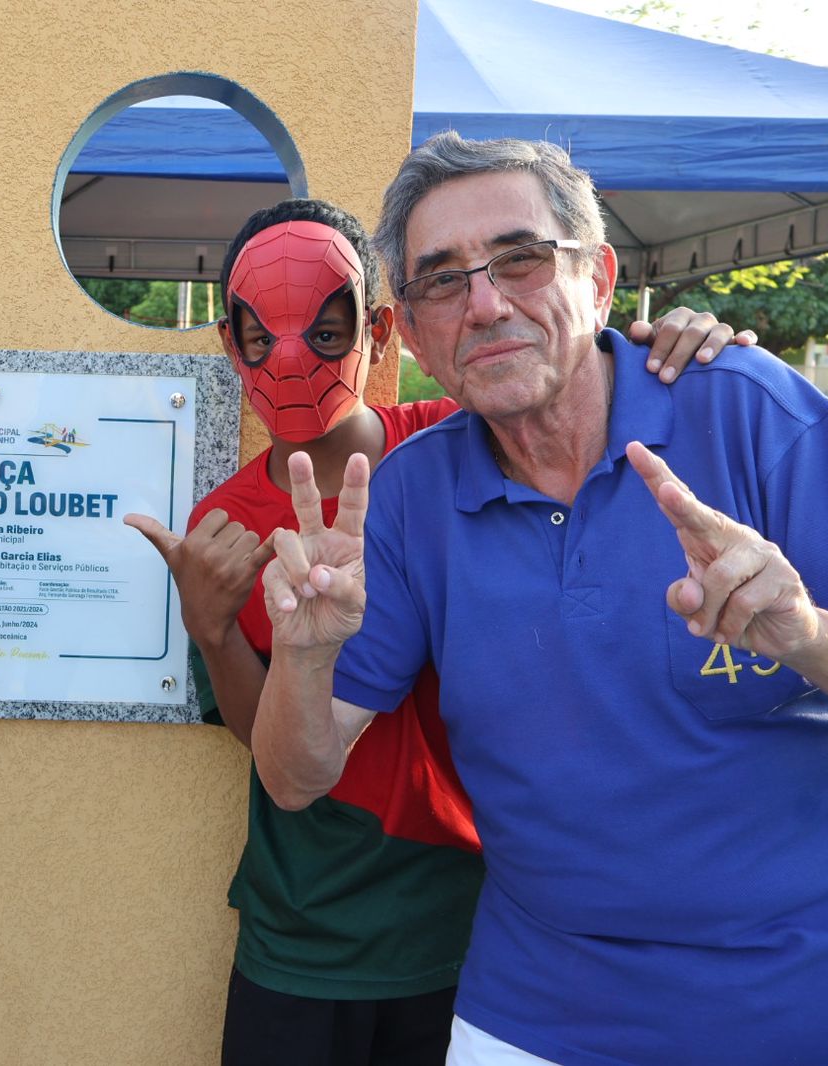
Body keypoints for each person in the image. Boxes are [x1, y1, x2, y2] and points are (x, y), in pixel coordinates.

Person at [251, 132, 828, 1065]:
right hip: (547, 1008)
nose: (484, 303)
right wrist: (305, 656)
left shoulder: (752, 412)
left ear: (597, 279)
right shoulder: (405, 497)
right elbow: (294, 777)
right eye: (441, 280)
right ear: (417, 332)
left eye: (520, 259)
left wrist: (814, 639)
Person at [126, 195, 751, 1066]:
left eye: (326, 328)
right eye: (261, 335)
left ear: (380, 329)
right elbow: (269, 748)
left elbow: (575, 395)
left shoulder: (460, 447)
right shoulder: (225, 525)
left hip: (482, 915)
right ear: (232, 343)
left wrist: (682, 348)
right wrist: (211, 626)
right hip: (309, 922)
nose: (292, 356)